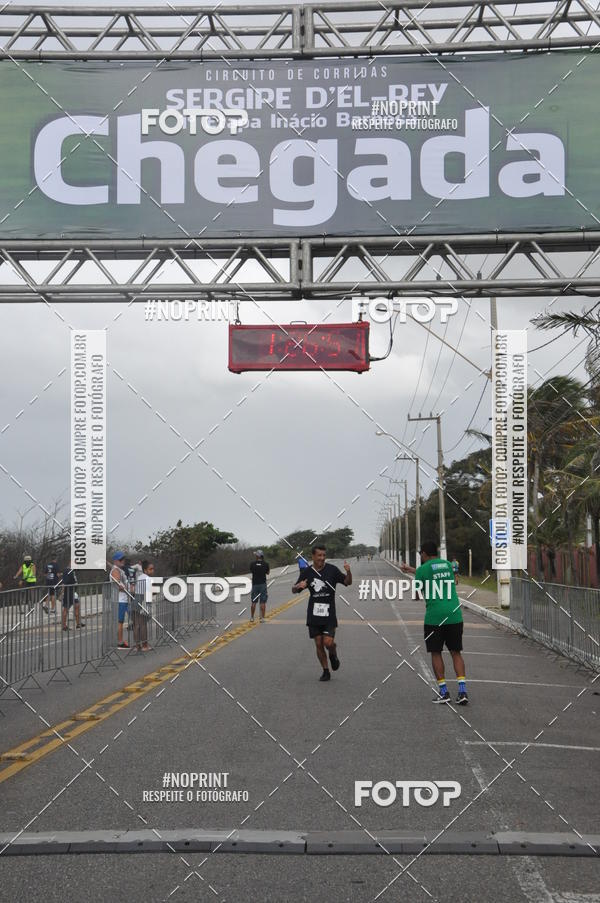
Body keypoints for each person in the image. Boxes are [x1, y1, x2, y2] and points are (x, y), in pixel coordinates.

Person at [402, 540, 468, 705]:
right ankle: (462, 691)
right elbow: (438, 575)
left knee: (436, 652)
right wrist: (412, 571)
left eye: (420, 555)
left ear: (424, 553)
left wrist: (418, 579)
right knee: (456, 652)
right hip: (454, 615)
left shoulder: (423, 570)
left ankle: (444, 692)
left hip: (435, 617)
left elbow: (417, 594)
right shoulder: (447, 564)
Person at [293, 545, 352, 682]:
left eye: (324, 555)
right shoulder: (307, 572)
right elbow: (294, 589)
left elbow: (347, 582)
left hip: (329, 613)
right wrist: (298, 587)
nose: (322, 558)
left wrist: (348, 572)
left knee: (328, 643)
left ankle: (333, 653)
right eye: (319, 555)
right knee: (319, 644)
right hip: (314, 613)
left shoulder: (332, 570)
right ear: (313, 556)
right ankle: (326, 671)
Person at [110, 551, 130, 648]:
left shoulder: (119, 569)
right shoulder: (115, 570)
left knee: (132, 617)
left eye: (123, 559)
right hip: (119, 600)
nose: (123, 561)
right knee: (120, 622)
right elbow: (117, 584)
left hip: (124, 599)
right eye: (121, 559)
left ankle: (121, 640)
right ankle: (120, 642)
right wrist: (125, 587)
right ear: (116, 561)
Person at [133, 560, 154, 652]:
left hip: (136, 599)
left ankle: (137, 646)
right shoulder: (148, 579)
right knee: (143, 624)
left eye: (153, 568)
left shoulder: (139, 576)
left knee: (137, 624)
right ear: (145, 570)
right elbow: (149, 592)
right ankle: (145, 645)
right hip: (143, 600)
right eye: (151, 569)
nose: (153, 570)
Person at [62, 564, 84, 630]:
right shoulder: (67, 571)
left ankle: (78, 623)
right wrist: (62, 593)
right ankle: (64, 626)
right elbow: (64, 583)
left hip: (73, 592)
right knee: (66, 608)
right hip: (68, 592)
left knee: (77, 606)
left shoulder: (72, 571)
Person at [249, 550, 270, 622]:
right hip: (263, 584)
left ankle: (252, 617)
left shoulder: (252, 564)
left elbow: (252, 571)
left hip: (255, 584)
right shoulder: (266, 564)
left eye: (256, 555)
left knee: (254, 601)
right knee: (263, 602)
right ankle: (262, 618)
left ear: (257, 556)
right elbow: (268, 573)